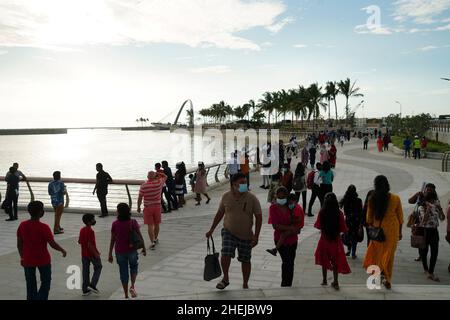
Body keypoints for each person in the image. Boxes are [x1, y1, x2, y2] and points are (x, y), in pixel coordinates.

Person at [205, 173, 262, 290]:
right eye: (241, 183)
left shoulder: (252, 198)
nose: (244, 185)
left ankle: (245, 283)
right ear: (233, 184)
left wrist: (256, 236)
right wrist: (211, 229)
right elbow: (220, 213)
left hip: (246, 235)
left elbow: (259, 217)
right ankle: (225, 278)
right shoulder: (226, 196)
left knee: (245, 260)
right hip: (229, 231)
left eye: (245, 183)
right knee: (225, 252)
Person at [17, 201, 67, 300]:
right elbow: (52, 244)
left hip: (28, 259)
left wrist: (22, 257)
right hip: (43, 259)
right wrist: (62, 250)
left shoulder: (22, 225)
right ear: (40, 212)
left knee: (30, 283)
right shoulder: (44, 227)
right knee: (46, 281)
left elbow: (19, 244)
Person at [363, 175, 403, 289]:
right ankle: (387, 279)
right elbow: (400, 218)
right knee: (389, 256)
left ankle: (378, 274)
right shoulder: (396, 198)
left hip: (378, 232)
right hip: (392, 231)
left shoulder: (372, 199)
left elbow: (368, 219)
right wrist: (400, 233)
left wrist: (373, 225)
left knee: (378, 254)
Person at [108, 203, 146, 299]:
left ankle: (125, 295)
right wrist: (144, 247)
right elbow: (139, 235)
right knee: (134, 267)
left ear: (119, 212)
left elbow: (112, 239)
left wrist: (110, 254)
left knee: (123, 271)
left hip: (120, 251)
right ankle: (132, 286)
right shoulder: (133, 222)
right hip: (132, 250)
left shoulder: (115, 224)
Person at [314, 193, 351, 290]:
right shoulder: (339, 213)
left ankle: (324, 280)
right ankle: (336, 281)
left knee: (324, 260)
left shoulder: (322, 212)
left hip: (324, 240)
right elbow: (344, 228)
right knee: (335, 262)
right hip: (336, 241)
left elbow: (318, 225)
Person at [267, 190, 304, 287]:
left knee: (291, 263)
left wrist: (295, 228)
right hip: (280, 239)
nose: (281, 200)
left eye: (283, 198)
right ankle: (284, 284)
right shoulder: (273, 208)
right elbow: (275, 226)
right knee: (286, 261)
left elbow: (299, 220)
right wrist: (291, 227)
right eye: (279, 198)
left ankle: (289, 284)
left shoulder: (291, 206)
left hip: (293, 240)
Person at [416, 189, 445, 282]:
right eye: (431, 200)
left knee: (435, 251)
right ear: (427, 200)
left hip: (434, 231)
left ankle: (431, 271)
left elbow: (442, 218)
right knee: (424, 251)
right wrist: (428, 209)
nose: (433, 202)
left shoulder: (436, 206)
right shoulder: (422, 207)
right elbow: (423, 221)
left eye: (434, 200)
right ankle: (426, 270)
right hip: (425, 231)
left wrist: (440, 209)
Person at [137, 171, 167, 250]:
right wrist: (158, 174)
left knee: (150, 225)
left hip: (148, 207)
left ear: (147, 177)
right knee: (157, 224)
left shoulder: (144, 185)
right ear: (155, 176)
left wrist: (138, 207)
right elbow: (165, 176)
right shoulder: (159, 183)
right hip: (157, 207)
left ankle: (152, 242)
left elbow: (140, 197)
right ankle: (155, 238)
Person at [408, 183, 439, 261]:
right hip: (419, 222)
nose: (428, 191)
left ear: (434, 191)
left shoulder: (434, 198)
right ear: (425, 189)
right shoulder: (421, 196)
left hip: (430, 224)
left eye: (430, 190)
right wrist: (416, 194)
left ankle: (424, 254)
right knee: (420, 238)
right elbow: (410, 201)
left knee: (428, 241)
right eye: (427, 189)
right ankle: (421, 255)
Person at [78, 213, 102, 296]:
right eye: (93, 219)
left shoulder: (82, 230)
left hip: (84, 254)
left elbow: (79, 241)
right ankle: (92, 285)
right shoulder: (90, 231)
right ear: (89, 222)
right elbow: (90, 244)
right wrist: (96, 254)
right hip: (91, 254)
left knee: (85, 271)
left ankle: (85, 290)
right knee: (98, 267)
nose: (94, 221)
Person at [339, 185, 363, 259]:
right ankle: (353, 253)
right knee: (354, 237)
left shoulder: (345, 199)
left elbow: (340, 206)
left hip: (348, 220)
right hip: (356, 220)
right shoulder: (359, 200)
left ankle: (349, 249)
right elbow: (361, 211)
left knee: (347, 235)